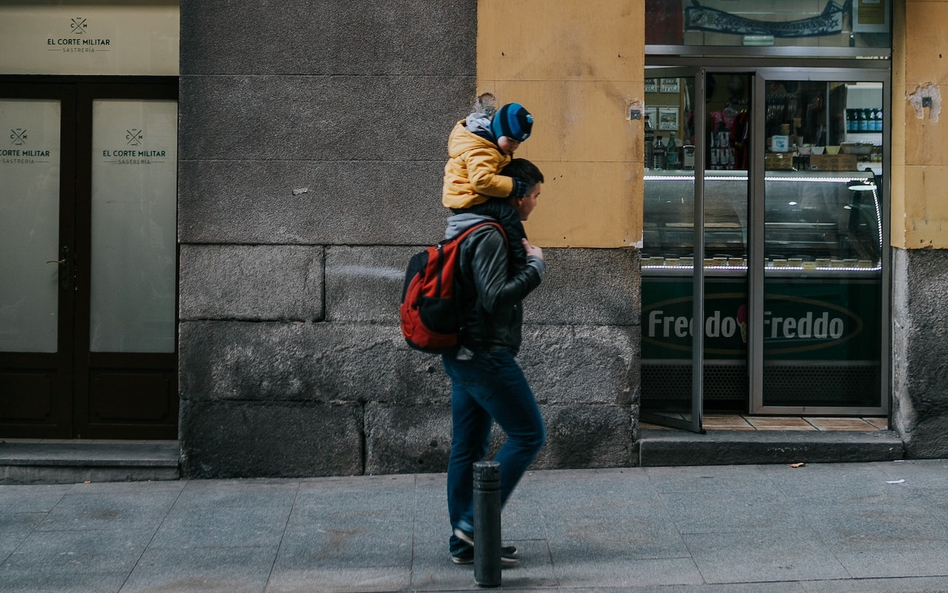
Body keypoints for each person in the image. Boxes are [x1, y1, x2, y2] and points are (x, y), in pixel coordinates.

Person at [441, 158, 547, 566]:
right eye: (535, 195)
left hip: (465, 352)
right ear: (517, 196)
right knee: (528, 434)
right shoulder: (490, 233)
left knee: (468, 447)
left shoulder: (473, 223)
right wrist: (536, 267)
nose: (537, 203)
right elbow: (495, 296)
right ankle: (471, 526)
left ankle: (466, 541)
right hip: (483, 353)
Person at [442, 95, 534, 269]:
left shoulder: (490, 143)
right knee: (508, 213)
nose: (514, 146)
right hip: (466, 199)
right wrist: (513, 186)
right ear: (499, 129)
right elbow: (482, 181)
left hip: (470, 194)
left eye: (518, 142)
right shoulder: (483, 149)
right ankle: (521, 260)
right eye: (511, 140)